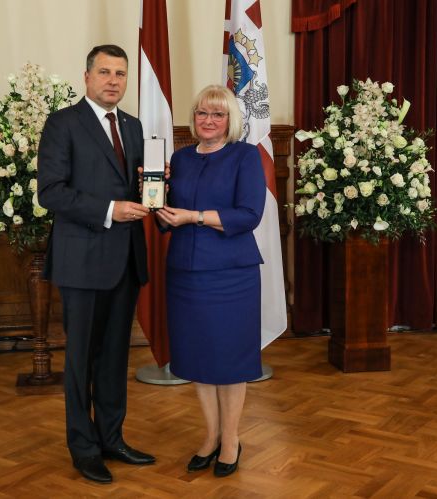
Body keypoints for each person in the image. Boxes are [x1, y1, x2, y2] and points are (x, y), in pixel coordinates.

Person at [37, 44, 154, 484]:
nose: (113, 81)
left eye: (120, 74)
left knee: (114, 358)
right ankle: (83, 448)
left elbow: (138, 187)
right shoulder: (63, 123)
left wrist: (154, 190)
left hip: (126, 261)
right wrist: (110, 210)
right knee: (81, 361)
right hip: (82, 262)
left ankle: (111, 438)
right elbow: (50, 191)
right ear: (86, 77)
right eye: (104, 72)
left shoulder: (134, 126)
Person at [155, 85, 266, 478]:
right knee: (198, 357)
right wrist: (152, 190)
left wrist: (196, 217)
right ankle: (211, 435)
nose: (208, 120)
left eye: (218, 114)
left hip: (231, 275)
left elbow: (249, 214)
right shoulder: (180, 158)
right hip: (185, 274)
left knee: (229, 360)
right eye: (202, 113)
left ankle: (231, 439)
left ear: (230, 120)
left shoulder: (245, 156)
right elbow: (167, 216)